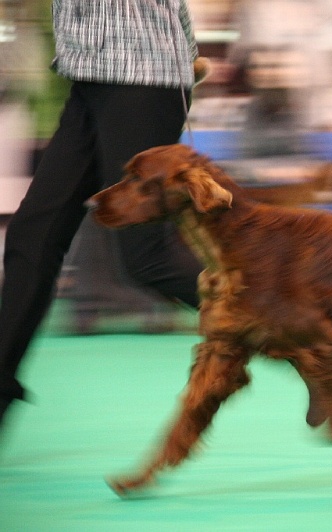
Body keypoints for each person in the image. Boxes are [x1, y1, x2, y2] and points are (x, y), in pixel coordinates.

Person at [0, 0, 204, 431]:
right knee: (32, 235)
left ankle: (293, 321)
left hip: (142, 76)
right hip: (89, 77)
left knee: (147, 259)